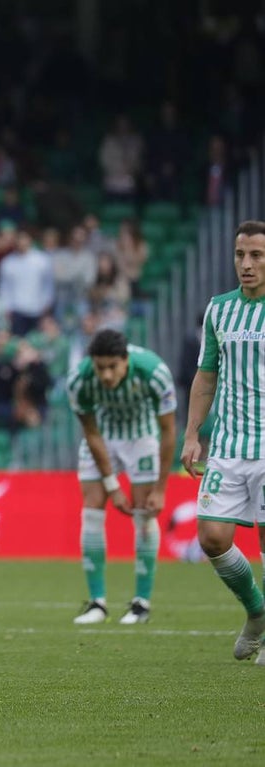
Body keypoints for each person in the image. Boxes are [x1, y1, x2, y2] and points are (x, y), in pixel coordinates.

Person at [181, 219, 265, 662]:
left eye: (256, 255)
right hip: (228, 446)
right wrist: (193, 433)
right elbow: (207, 376)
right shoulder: (220, 309)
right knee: (212, 538)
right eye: (240, 255)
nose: (246, 264)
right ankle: (256, 612)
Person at [66, 329, 177, 625]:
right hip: (102, 438)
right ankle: (97, 603)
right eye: (100, 367)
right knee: (91, 511)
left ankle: (141, 603)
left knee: (144, 513)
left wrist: (162, 488)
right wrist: (113, 486)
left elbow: (168, 431)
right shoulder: (78, 380)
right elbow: (90, 432)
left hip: (141, 438)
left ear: (125, 360)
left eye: (112, 367)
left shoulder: (154, 372)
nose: (106, 374)